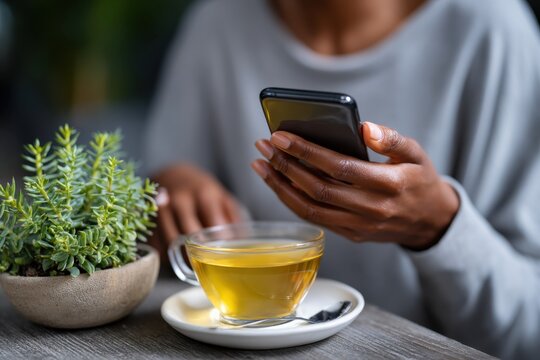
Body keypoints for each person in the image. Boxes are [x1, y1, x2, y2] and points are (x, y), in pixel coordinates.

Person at [145, 0, 540, 358]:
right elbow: (158, 197)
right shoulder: (218, 20)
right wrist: (172, 188)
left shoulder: (493, 31)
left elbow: (526, 333)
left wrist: (439, 228)